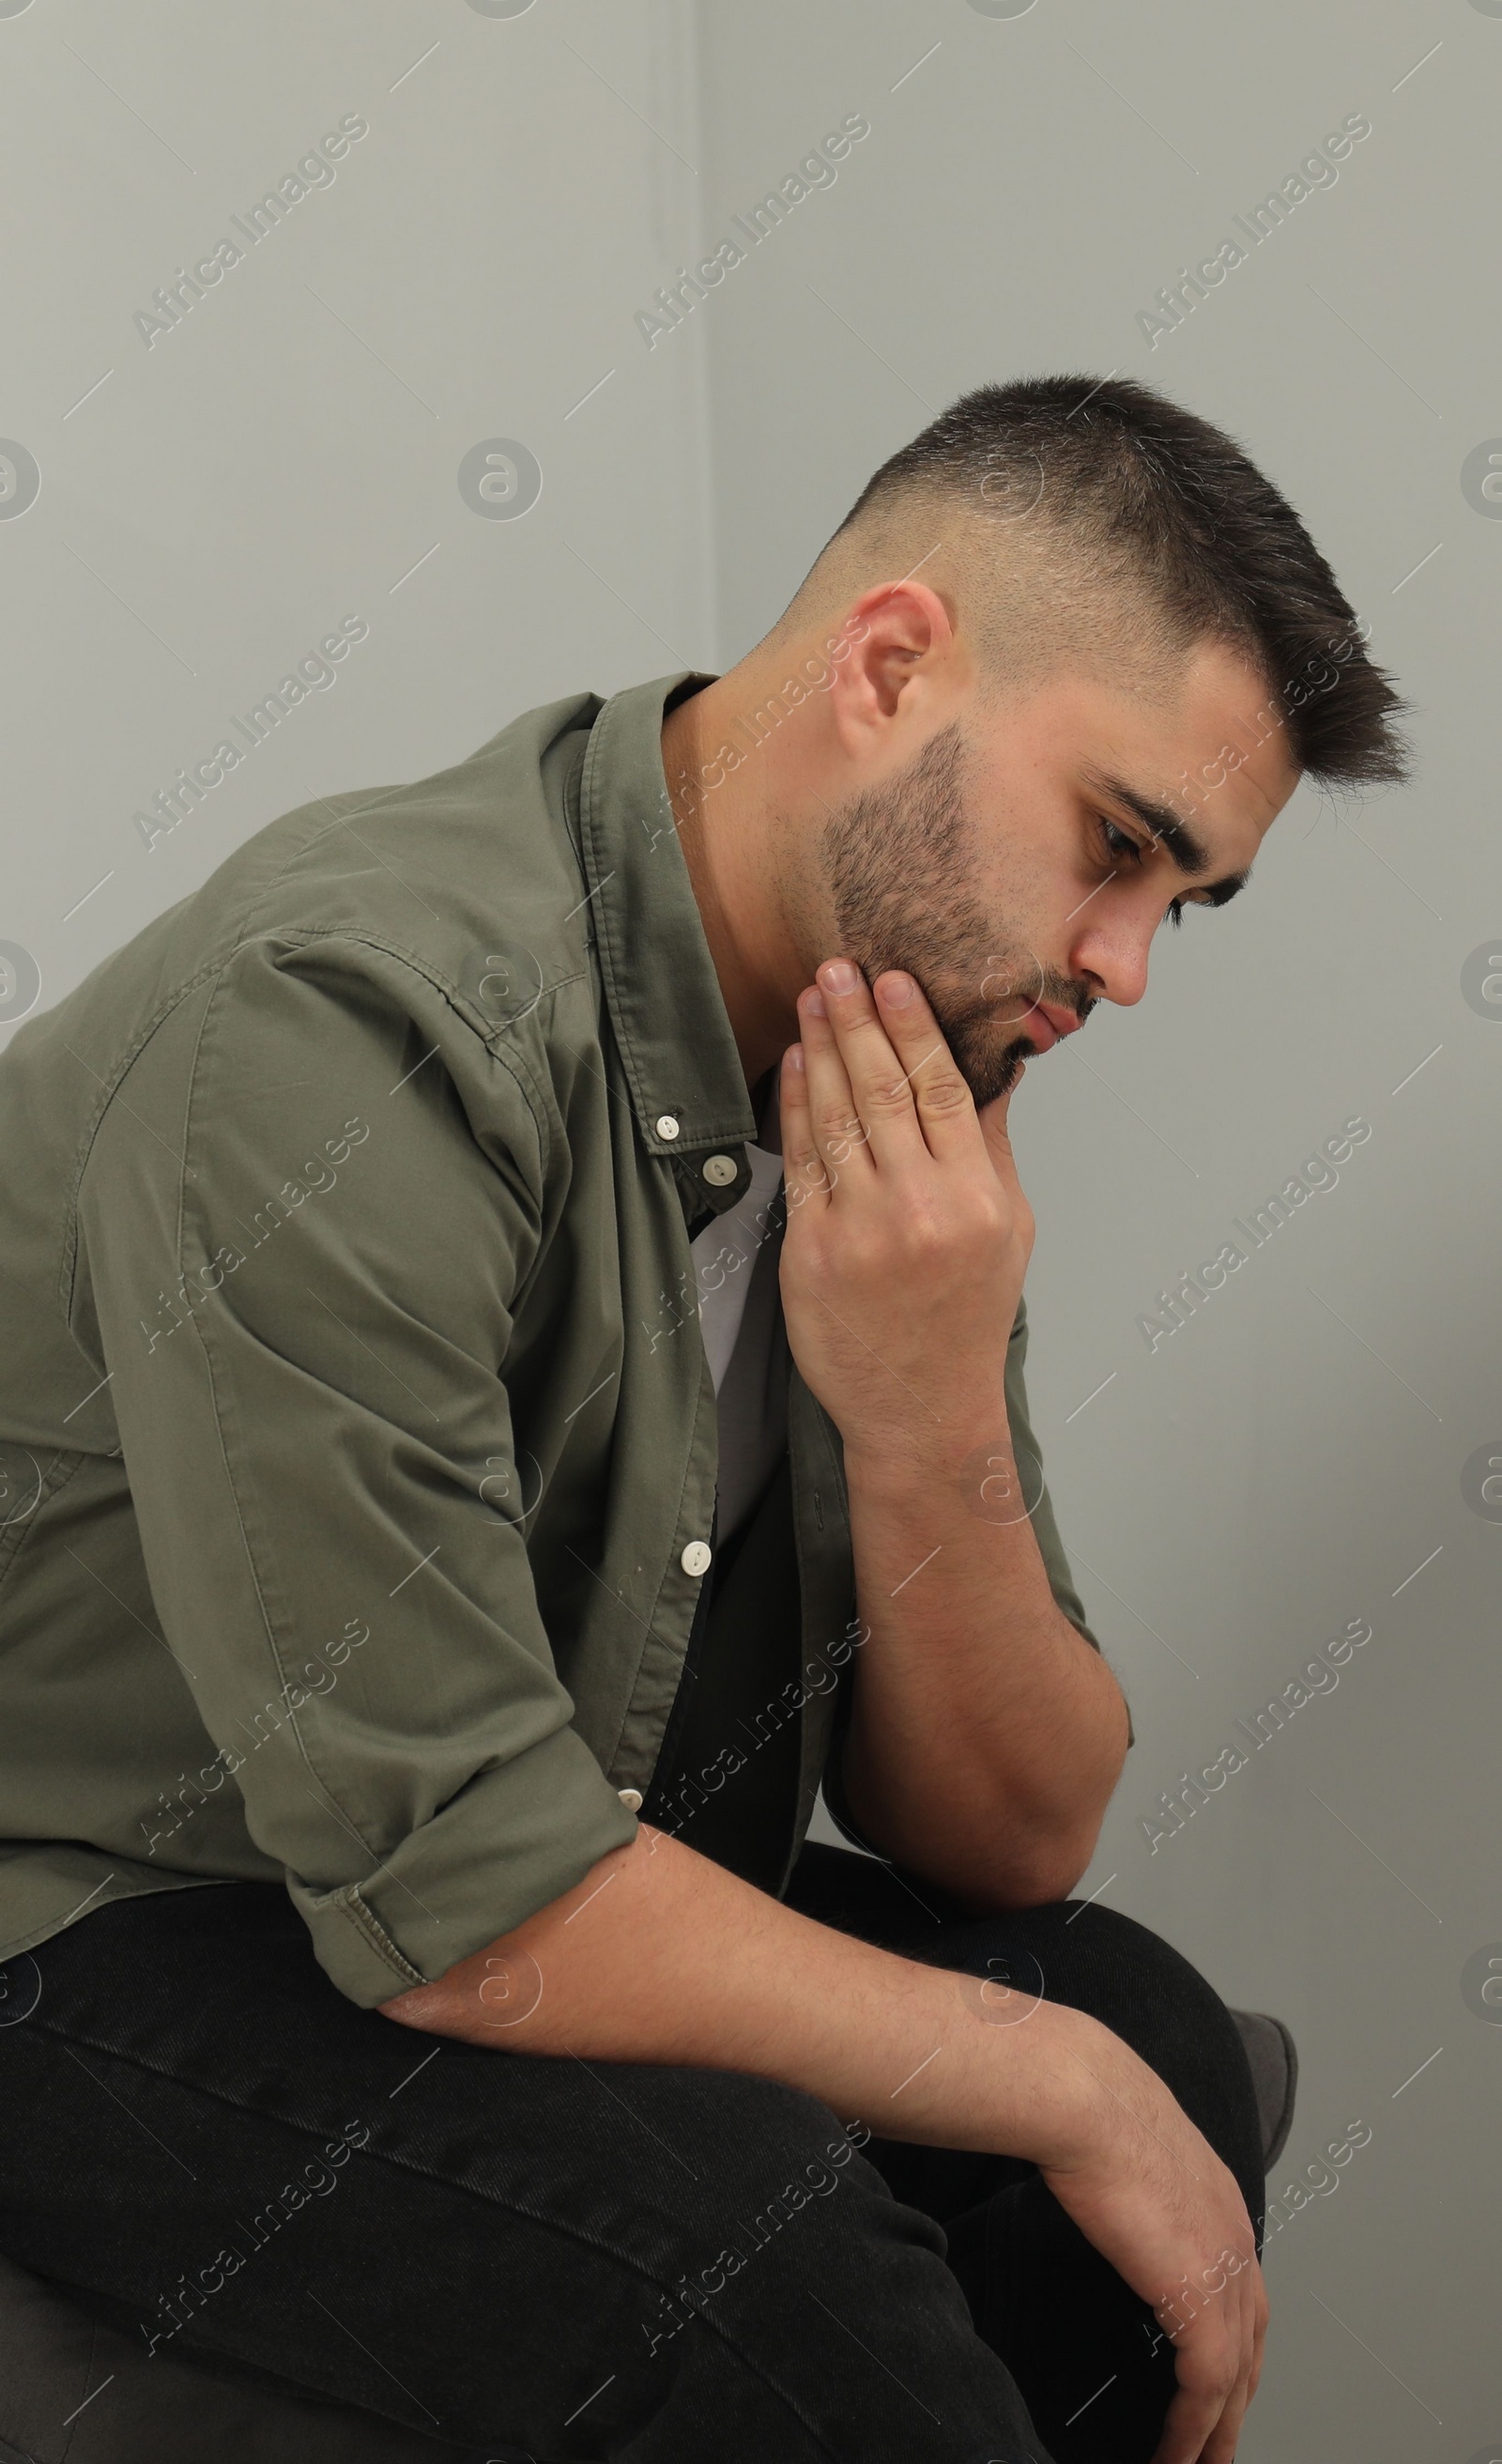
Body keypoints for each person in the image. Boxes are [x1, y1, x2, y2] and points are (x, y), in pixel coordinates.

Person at [0, 375, 1406, 2463]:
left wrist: (927, 1405)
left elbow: (1007, 1836)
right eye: (1117, 845)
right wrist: (1050, 2087)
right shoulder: (353, 1023)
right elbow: (462, 1882)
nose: (1122, 969)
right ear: (889, 665)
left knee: (1137, 2020)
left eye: (1177, 899)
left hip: (494, 1899)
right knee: (768, 2253)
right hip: (103, 1921)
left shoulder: (891, 1067)